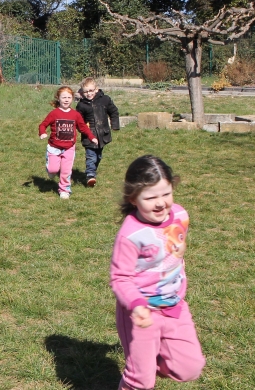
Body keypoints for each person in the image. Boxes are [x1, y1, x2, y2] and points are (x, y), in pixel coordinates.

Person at [110, 155, 205, 390]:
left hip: (175, 307)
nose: (161, 203)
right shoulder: (131, 234)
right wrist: (136, 305)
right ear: (133, 198)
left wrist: (180, 251)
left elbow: (174, 245)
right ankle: (142, 369)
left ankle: (150, 362)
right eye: (151, 197)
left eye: (166, 193)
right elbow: (120, 277)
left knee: (190, 367)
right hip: (142, 314)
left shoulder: (181, 216)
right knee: (140, 381)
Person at [38, 86, 98, 199]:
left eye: (69, 97)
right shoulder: (54, 113)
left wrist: (91, 137)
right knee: (53, 170)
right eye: (64, 97)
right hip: (54, 147)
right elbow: (43, 125)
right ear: (58, 99)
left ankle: (64, 190)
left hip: (69, 148)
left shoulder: (75, 115)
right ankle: (50, 168)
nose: (66, 100)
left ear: (72, 99)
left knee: (66, 171)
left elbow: (83, 127)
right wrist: (42, 133)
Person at [75, 77, 120, 187]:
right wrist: (82, 129)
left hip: (102, 134)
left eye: (91, 90)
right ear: (82, 92)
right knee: (91, 156)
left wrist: (115, 125)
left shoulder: (105, 100)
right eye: (85, 92)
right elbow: (78, 120)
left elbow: (114, 112)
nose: (88, 94)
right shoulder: (81, 105)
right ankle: (90, 175)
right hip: (89, 135)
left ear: (96, 89)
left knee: (98, 156)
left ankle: (92, 171)